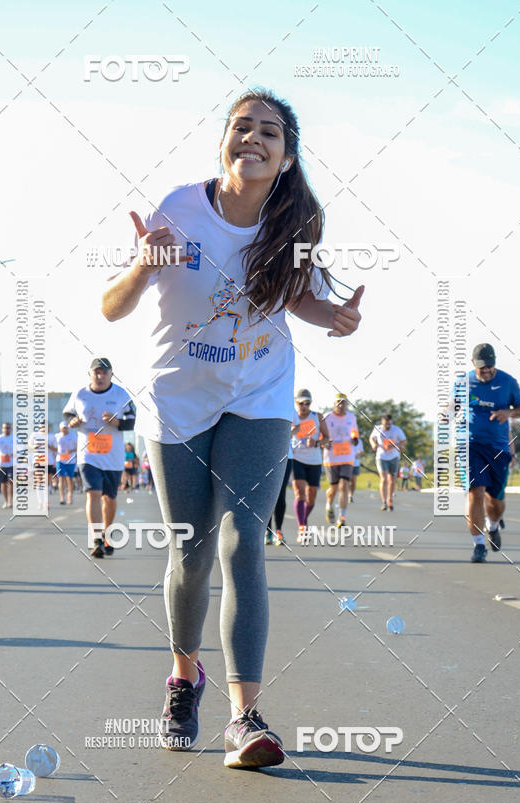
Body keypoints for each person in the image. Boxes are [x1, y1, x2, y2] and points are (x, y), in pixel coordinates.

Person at [101, 89, 363, 768]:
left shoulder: (296, 217)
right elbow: (111, 308)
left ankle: (244, 718)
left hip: (260, 394)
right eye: (241, 126)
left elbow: (295, 296)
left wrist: (330, 317)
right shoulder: (179, 209)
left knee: (243, 540)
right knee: (190, 551)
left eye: (269, 132)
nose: (253, 137)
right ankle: (184, 679)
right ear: (223, 140)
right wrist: (142, 265)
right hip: (178, 398)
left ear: (286, 155)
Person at [63, 358, 136, 557]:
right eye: (96, 372)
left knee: (109, 498)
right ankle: (96, 539)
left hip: (113, 456)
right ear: (90, 374)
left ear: (111, 374)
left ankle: (107, 534)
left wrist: (117, 422)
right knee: (93, 493)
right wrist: (73, 421)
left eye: (104, 372)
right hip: (88, 454)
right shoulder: (80, 394)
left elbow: (132, 420)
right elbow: (68, 414)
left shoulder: (120, 395)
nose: (100, 376)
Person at [463, 344, 520, 562]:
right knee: (475, 491)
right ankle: (478, 545)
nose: (487, 370)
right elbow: (452, 406)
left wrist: (509, 412)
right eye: (482, 367)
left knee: (495, 501)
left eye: (490, 366)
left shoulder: (508, 382)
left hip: (498, 448)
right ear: (474, 364)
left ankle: (493, 525)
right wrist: (447, 415)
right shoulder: (463, 382)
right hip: (471, 445)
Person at [291, 388, 330, 542]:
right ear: (296, 403)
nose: (304, 406)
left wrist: (317, 443)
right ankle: (302, 527)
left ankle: (304, 520)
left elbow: (328, 438)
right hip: (296, 458)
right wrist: (293, 431)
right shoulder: (291, 417)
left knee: (311, 497)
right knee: (299, 492)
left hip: (314, 460)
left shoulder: (317, 417)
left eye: (307, 403)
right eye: (301, 403)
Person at [323, 393, 357, 526]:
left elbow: (355, 432)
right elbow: (321, 435)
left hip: (347, 456)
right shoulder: (327, 417)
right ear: (334, 404)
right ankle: (329, 504)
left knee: (344, 484)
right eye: (339, 402)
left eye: (344, 403)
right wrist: (324, 442)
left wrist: (355, 439)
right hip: (331, 457)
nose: (341, 405)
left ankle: (342, 516)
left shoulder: (351, 417)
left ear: (347, 404)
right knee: (334, 488)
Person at [369, 414, 406, 511]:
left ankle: (390, 499)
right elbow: (371, 438)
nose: (388, 426)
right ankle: (384, 502)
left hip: (394, 457)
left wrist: (394, 445)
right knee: (384, 479)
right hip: (381, 456)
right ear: (382, 422)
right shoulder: (378, 428)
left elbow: (404, 441)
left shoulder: (396, 430)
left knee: (392, 480)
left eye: (389, 424)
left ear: (391, 422)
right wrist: (373, 444)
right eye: (386, 424)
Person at [265, 440, 293, 546]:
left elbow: (298, 427)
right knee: (268, 494)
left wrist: (288, 431)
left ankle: (279, 531)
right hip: (268, 455)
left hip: (286, 456)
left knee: (280, 494)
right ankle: (268, 531)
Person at [0, 422, 14, 508]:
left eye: (8, 428)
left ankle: (10, 501)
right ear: (2, 429)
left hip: (12, 464)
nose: (6, 429)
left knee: (11, 482)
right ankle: (5, 501)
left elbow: (21, 449)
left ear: (10, 429)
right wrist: (2, 455)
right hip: (1, 464)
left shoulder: (15, 438)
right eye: (5, 428)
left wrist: (13, 454)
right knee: (3, 483)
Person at [55, 422, 78, 505]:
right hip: (60, 460)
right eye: (63, 428)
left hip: (71, 460)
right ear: (60, 428)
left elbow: (78, 447)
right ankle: (62, 497)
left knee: (70, 479)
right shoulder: (57, 436)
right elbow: (54, 447)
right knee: (61, 478)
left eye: (66, 427)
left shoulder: (73, 436)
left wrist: (71, 451)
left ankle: (70, 495)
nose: (64, 429)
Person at [349, 430, 363, 501]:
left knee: (353, 481)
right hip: (347, 463)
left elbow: (361, 451)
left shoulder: (359, 441)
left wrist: (359, 454)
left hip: (355, 464)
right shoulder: (347, 440)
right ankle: (347, 494)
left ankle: (351, 495)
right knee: (347, 481)